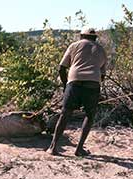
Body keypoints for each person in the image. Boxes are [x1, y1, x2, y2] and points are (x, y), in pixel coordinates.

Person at [46, 27, 108, 156]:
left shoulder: (74, 46)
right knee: (89, 116)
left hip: (74, 82)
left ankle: (53, 147)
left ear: (81, 36)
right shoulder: (101, 50)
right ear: (95, 38)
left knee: (65, 114)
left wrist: (65, 86)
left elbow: (61, 68)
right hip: (93, 84)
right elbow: (102, 75)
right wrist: (96, 84)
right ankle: (79, 149)